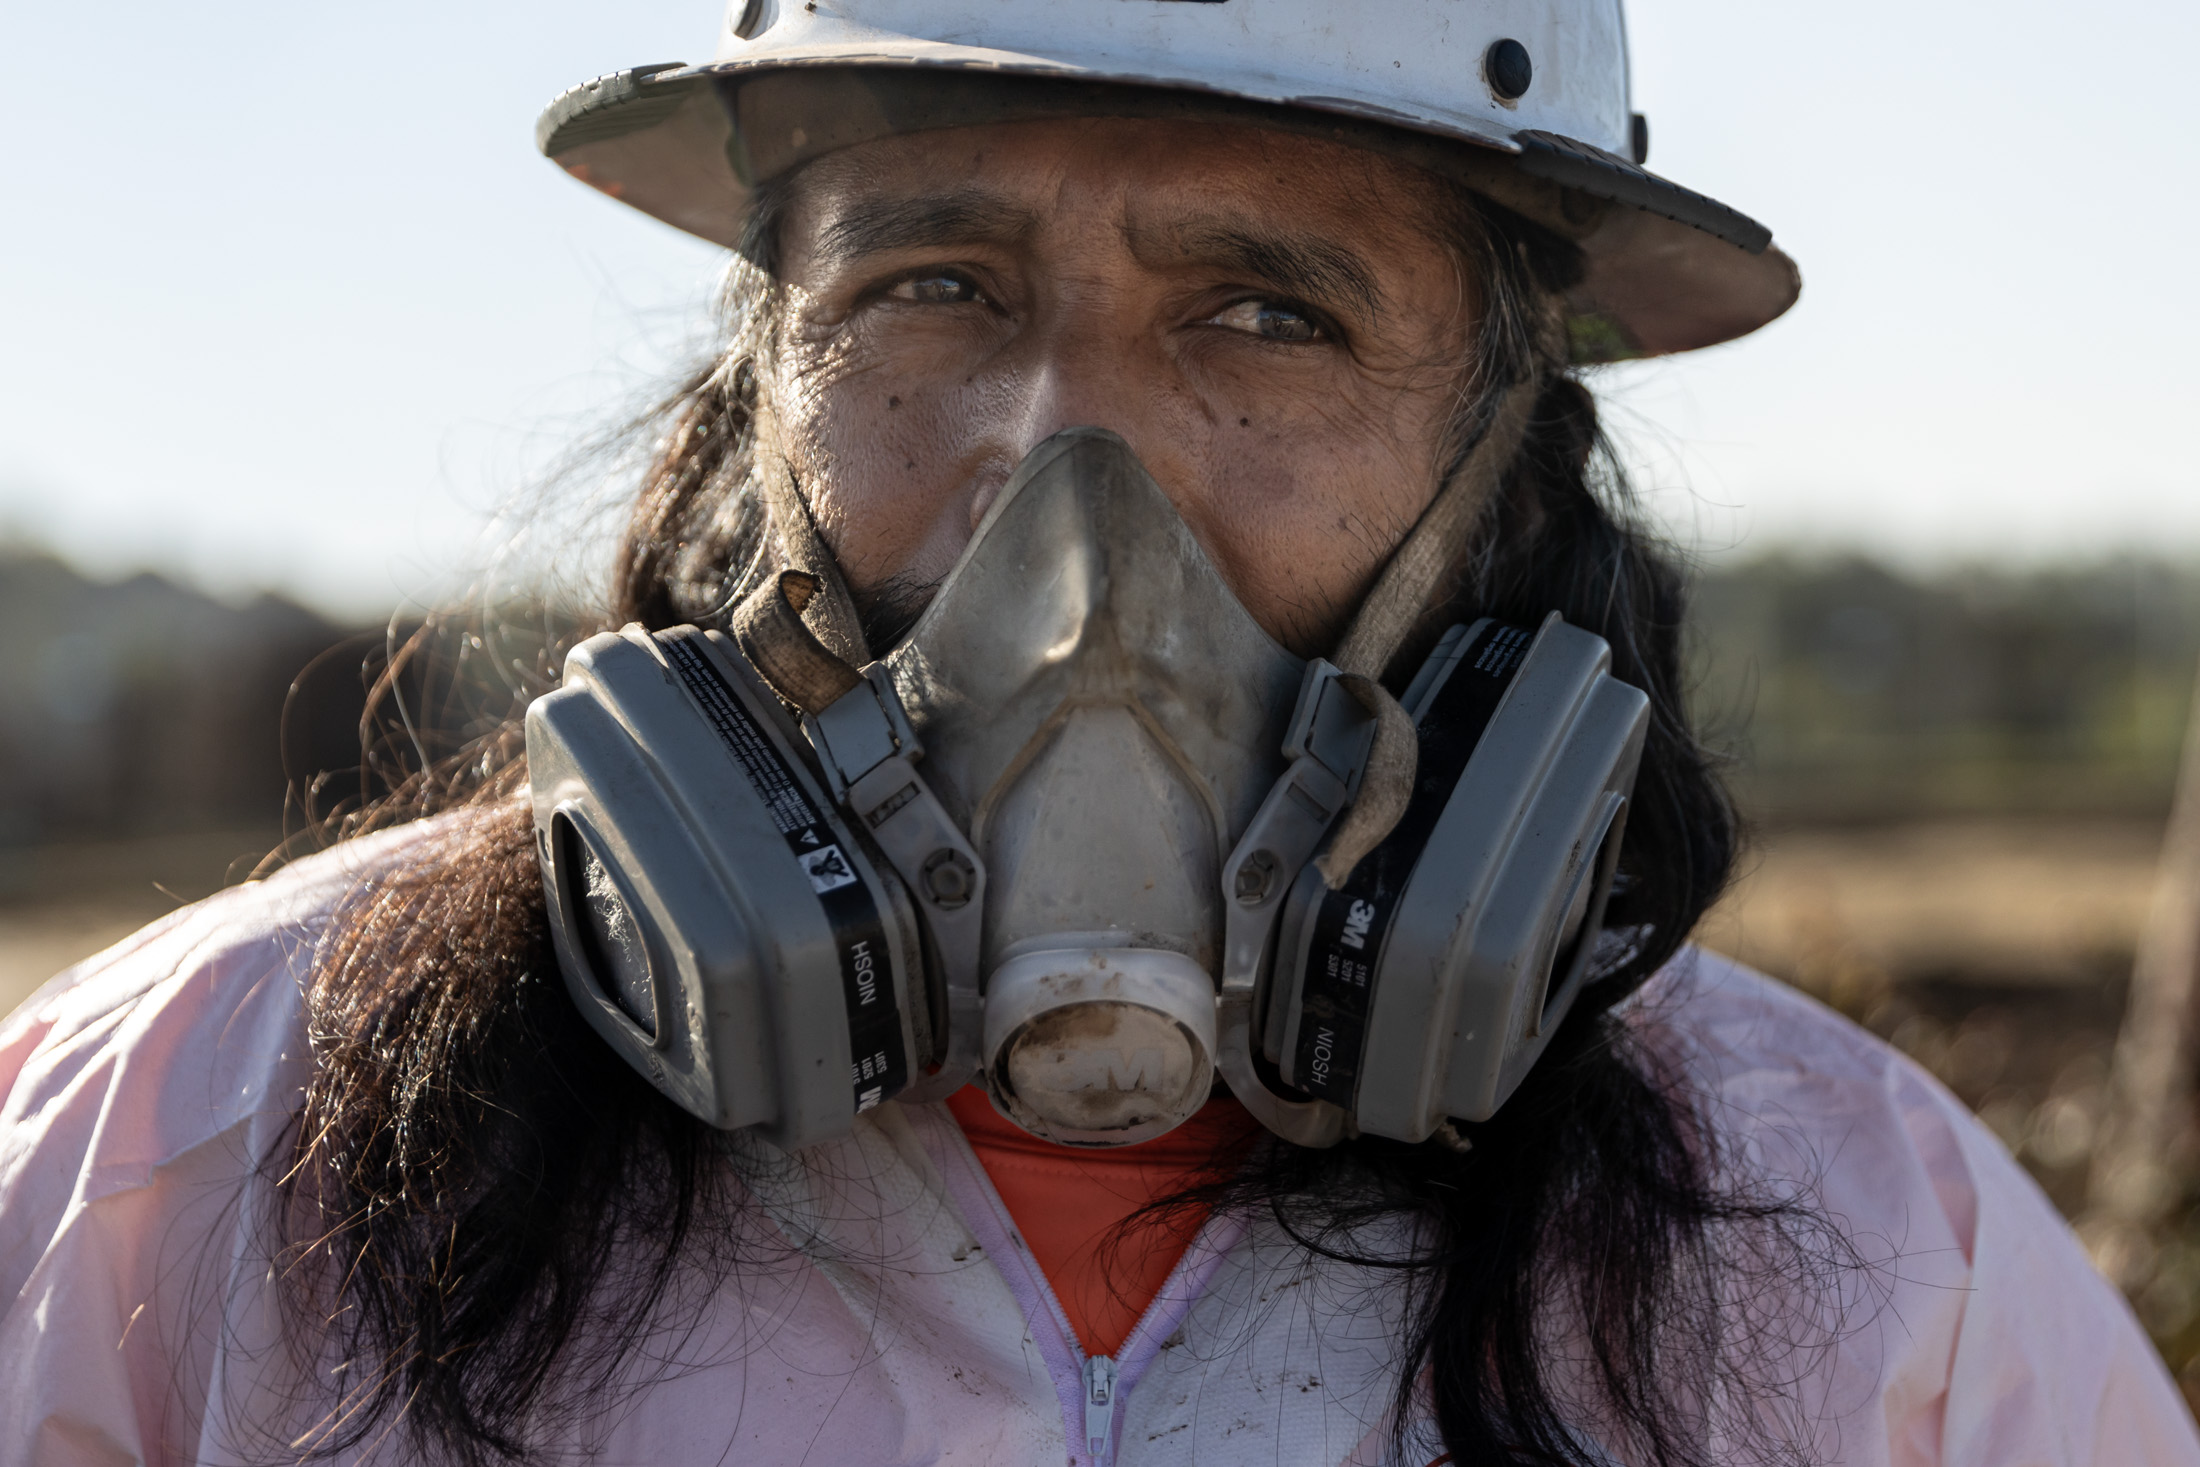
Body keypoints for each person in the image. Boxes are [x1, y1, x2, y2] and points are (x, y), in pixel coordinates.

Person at [3, 3, 2194, 1464]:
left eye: (1269, 313)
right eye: (928, 286)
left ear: (1510, 461)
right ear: (750, 398)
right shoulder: (183, 1140)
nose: (1063, 477)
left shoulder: (1876, 1256)